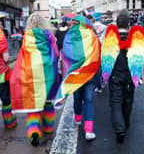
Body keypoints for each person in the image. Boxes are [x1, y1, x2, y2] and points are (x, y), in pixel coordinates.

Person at [10, 13, 59, 146]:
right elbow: (56, 53)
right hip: (48, 72)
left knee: (34, 103)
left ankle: (34, 132)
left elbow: (23, 55)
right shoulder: (50, 36)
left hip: (31, 73)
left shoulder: (27, 37)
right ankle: (48, 128)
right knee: (48, 102)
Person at [55, 17, 101, 141]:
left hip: (75, 74)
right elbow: (98, 52)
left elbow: (65, 55)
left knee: (77, 97)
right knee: (89, 100)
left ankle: (77, 118)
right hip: (89, 73)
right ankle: (89, 130)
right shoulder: (92, 35)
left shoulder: (69, 37)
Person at [101, 10, 144, 143]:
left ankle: (120, 129)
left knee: (116, 102)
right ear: (128, 25)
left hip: (115, 76)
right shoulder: (137, 39)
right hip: (130, 76)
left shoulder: (110, 39)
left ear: (116, 24)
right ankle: (126, 123)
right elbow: (140, 58)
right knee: (128, 100)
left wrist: (104, 76)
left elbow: (105, 58)